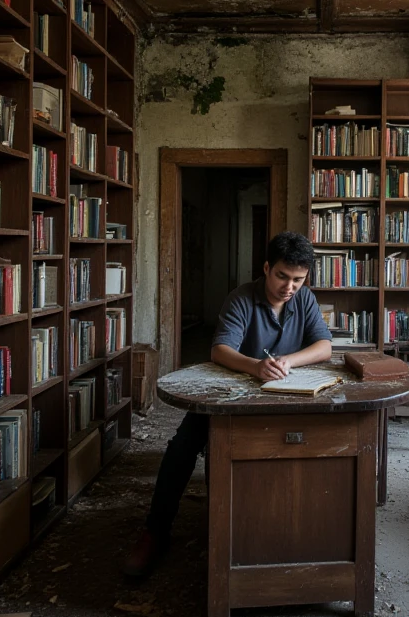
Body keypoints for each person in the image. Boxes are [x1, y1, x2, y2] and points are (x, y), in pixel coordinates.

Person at [124, 230, 333, 577]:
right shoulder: (241, 298)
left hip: (284, 395)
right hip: (230, 393)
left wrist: (288, 362)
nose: (289, 287)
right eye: (282, 276)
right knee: (182, 446)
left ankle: (292, 533)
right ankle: (155, 531)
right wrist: (256, 366)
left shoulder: (305, 299)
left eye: (298, 279)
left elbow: (324, 347)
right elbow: (219, 350)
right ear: (267, 268)